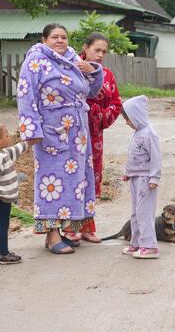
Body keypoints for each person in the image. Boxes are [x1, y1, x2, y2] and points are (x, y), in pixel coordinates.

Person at [16, 23, 104, 254]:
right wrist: (32, 131)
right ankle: (52, 236)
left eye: (63, 37)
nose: (60, 41)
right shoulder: (35, 61)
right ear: (43, 39)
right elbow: (26, 95)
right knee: (51, 183)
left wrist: (92, 71)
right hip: (52, 131)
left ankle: (67, 229)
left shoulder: (74, 59)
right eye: (54, 37)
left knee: (75, 183)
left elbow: (92, 92)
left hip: (77, 132)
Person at [63, 33, 122, 244]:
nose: (100, 55)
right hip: (71, 134)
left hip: (94, 135)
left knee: (90, 178)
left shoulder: (106, 74)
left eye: (104, 52)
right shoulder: (70, 68)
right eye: (97, 50)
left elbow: (116, 104)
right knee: (73, 178)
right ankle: (71, 227)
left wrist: (97, 114)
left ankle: (87, 227)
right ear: (85, 48)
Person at [0, 122, 38, 264]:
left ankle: (0, 251)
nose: (9, 138)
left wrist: (28, 143)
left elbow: (15, 150)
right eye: (6, 135)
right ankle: (4, 254)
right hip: (1, 198)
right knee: (2, 226)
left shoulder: (1, 153)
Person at [120, 95, 162, 259]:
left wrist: (154, 178)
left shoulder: (149, 134)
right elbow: (133, 155)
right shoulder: (138, 132)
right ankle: (136, 242)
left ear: (136, 115)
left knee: (144, 213)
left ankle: (150, 246)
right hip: (136, 178)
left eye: (128, 119)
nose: (127, 122)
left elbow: (156, 157)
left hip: (146, 180)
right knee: (135, 213)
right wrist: (128, 172)